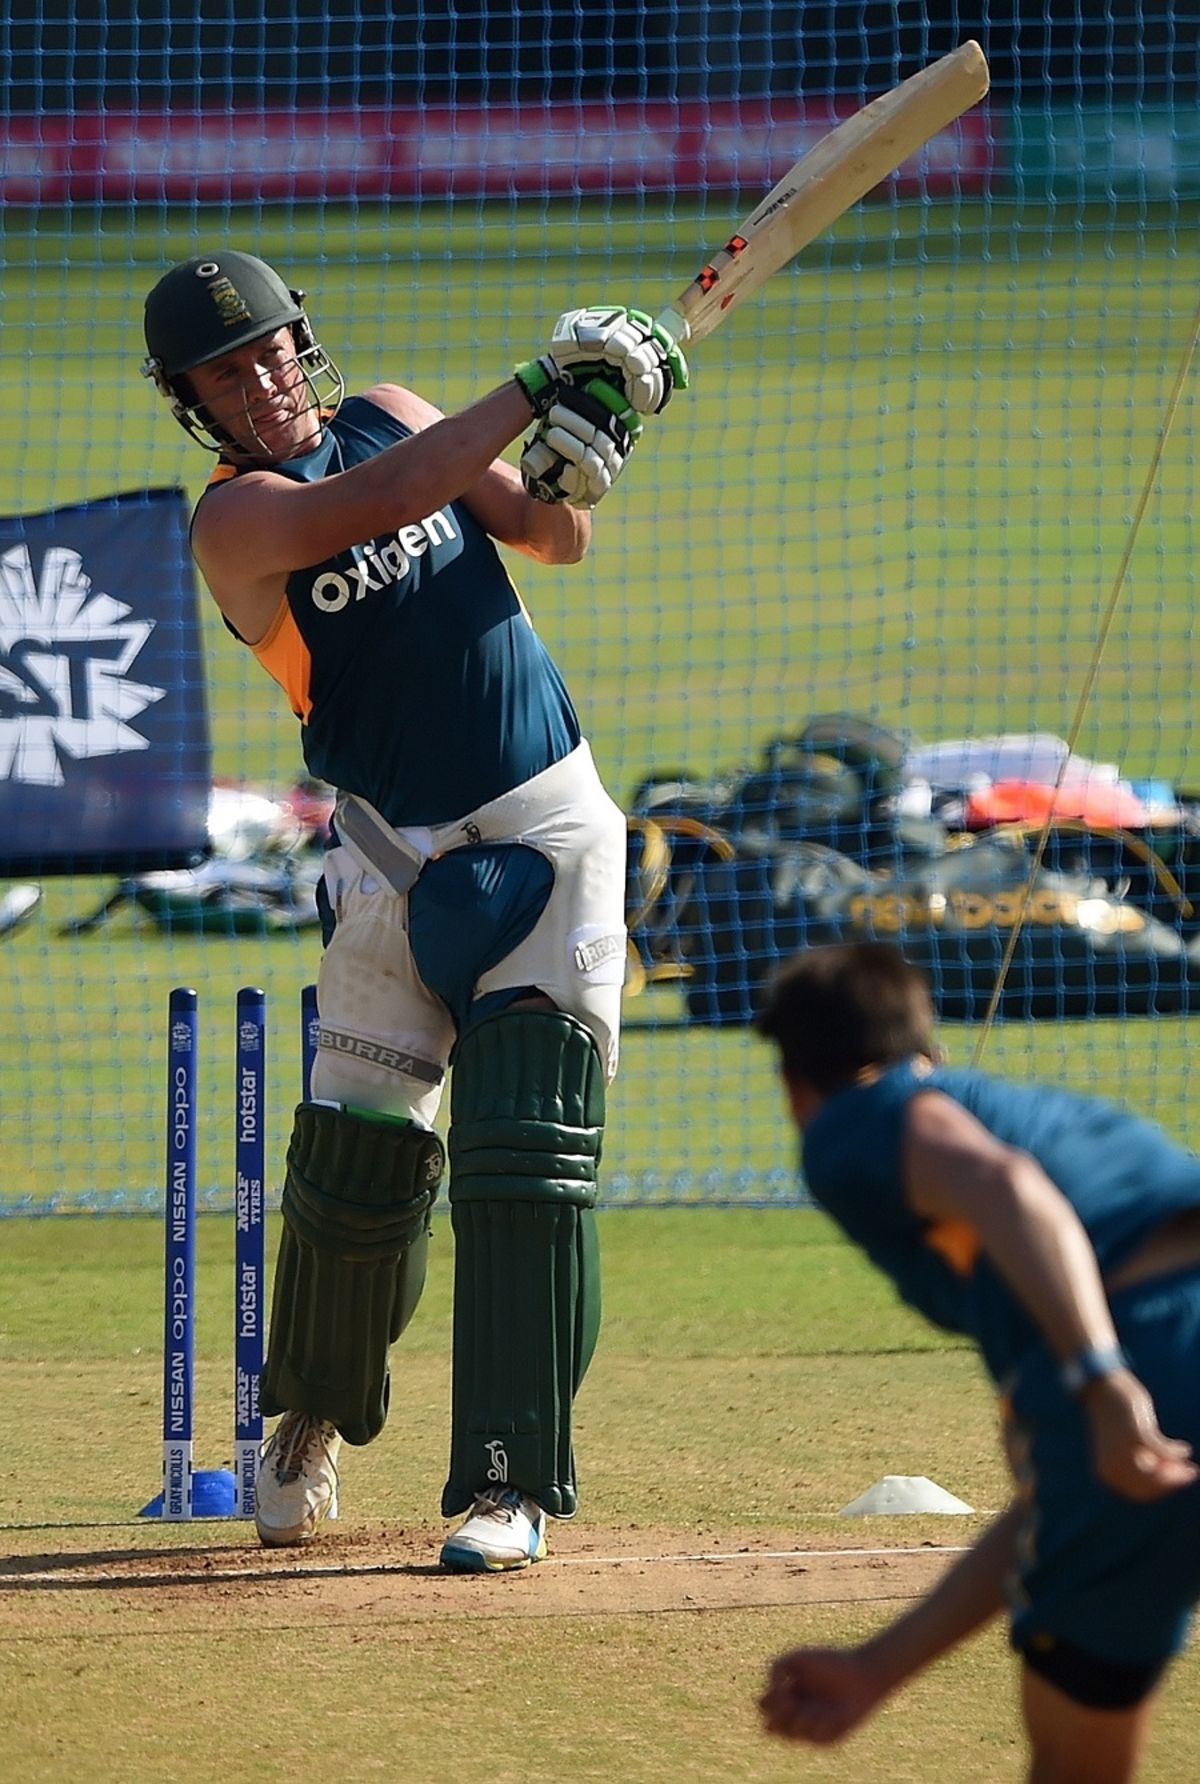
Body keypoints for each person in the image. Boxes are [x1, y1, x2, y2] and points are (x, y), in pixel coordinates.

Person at [142, 251, 687, 1570]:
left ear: (304, 341)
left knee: (527, 1160)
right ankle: (309, 1426)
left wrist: (571, 463)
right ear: (194, 401)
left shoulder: (395, 408)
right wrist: (537, 379)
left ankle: (510, 1484)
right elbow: (394, 495)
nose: (265, 380)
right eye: (231, 371)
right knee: (354, 1177)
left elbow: (549, 537)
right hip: (390, 862)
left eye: (274, 347)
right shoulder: (234, 523)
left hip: (549, 826)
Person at [754, 939, 1200, 1783]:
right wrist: (874, 1669)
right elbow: (1049, 1506)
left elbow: (1005, 1185)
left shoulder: (859, 1115)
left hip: (1157, 1358)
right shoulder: (1048, 1126)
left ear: (795, 1084)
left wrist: (1102, 1380)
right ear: (932, 1048)